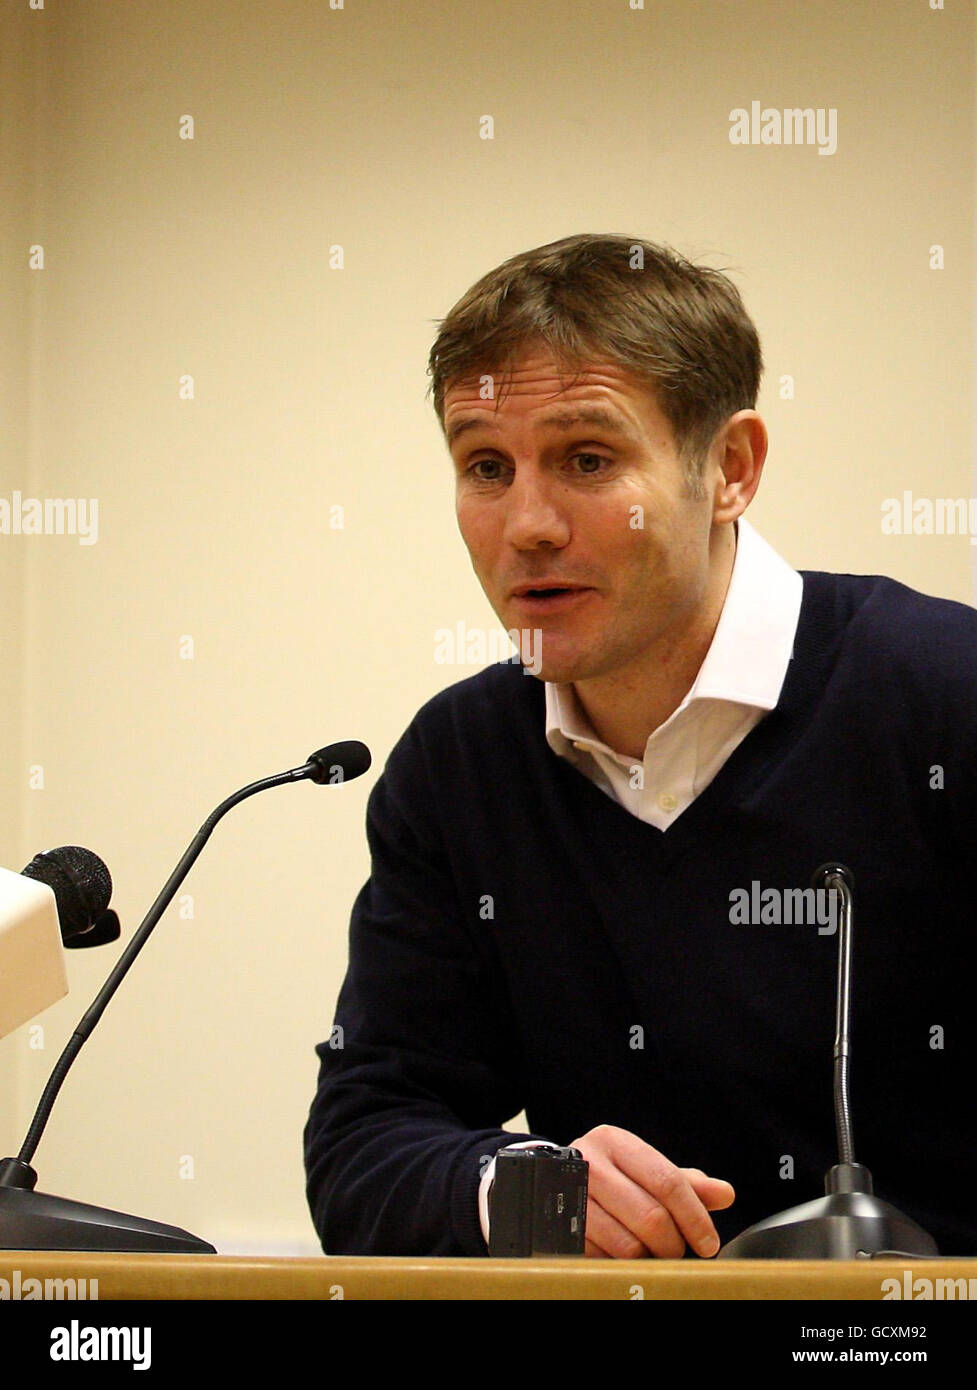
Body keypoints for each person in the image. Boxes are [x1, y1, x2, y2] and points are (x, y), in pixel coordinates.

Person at [303, 233, 976, 1258]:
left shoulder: (943, 694)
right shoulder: (457, 763)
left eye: (586, 460)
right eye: (485, 467)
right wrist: (520, 1189)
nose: (527, 525)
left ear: (729, 469)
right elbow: (365, 1141)